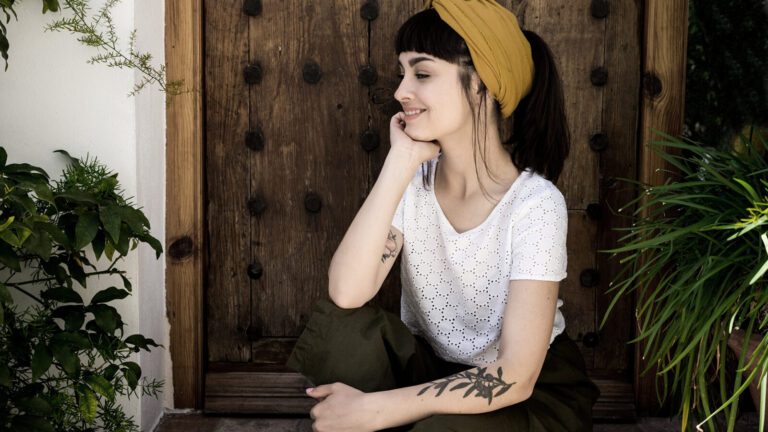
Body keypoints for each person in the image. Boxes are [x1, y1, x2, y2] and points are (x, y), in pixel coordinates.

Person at [286, 1, 601, 430]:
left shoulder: (535, 204)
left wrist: (375, 408)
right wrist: (399, 163)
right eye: (402, 73)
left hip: (523, 392)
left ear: (480, 85)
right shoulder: (413, 179)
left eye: (422, 73)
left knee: (442, 429)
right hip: (432, 367)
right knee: (343, 334)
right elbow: (346, 293)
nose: (400, 91)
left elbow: (515, 375)